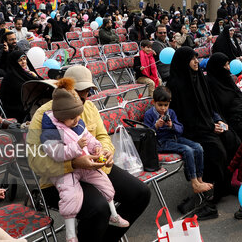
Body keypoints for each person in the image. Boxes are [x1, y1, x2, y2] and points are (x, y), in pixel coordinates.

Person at [27, 65, 151, 242]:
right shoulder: (44, 115)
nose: (83, 99)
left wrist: (106, 151)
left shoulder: (90, 107)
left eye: (86, 94)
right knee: (99, 208)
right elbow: (35, 161)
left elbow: (102, 137)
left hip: (93, 168)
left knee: (140, 193)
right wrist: (74, 163)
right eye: (79, 94)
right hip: (58, 178)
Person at [41, 78, 129, 242]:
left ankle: (114, 215)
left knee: (106, 184)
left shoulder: (77, 119)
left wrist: (100, 149)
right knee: (72, 197)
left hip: (86, 165)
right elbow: (54, 152)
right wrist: (75, 151)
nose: (76, 120)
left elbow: (92, 137)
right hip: (64, 171)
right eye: (72, 117)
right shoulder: (50, 126)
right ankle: (71, 234)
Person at [167, 47, 239, 213]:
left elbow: (211, 106)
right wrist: (210, 127)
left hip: (208, 125)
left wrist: (218, 120)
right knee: (217, 149)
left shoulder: (200, 78)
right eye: (192, 59)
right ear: (183, 62)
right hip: (191, 130)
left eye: (196, 58)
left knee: (231, 138)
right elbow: (183, 117)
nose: (196, 62)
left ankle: (225, 184)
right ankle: (214, 190)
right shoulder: (175, 84)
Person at [143, 86, 213, 194]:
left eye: (166, 105)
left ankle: (200, 179)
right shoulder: (149, 115)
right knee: (187, 150)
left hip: (175, 138)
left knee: (198, 147)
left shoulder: (171, 113)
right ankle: (194, 182)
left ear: (169, 103)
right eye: (160, 105)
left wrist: (172, 126)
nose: (163, 108)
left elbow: (180, 129)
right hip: (161, 142)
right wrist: (156, 126)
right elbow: (147, 134)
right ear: (153, 102)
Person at [205, 52, 242, 140]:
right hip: (228, 119)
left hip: (241, 113)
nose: (228, 68)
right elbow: (218, 107)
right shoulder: (210, 84)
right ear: (217, 67)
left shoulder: (227, 79)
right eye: (225, 66)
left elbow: (239, 96)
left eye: (228, 64)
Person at [0, 50, 42, 122]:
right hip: (18, 108)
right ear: (14, 63)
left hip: (31, 103)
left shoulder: (27, 73)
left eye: (24, 59)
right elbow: (21, 92)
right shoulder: (10, 78)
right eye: (20, 60)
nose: (24, 62)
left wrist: (35, 77)